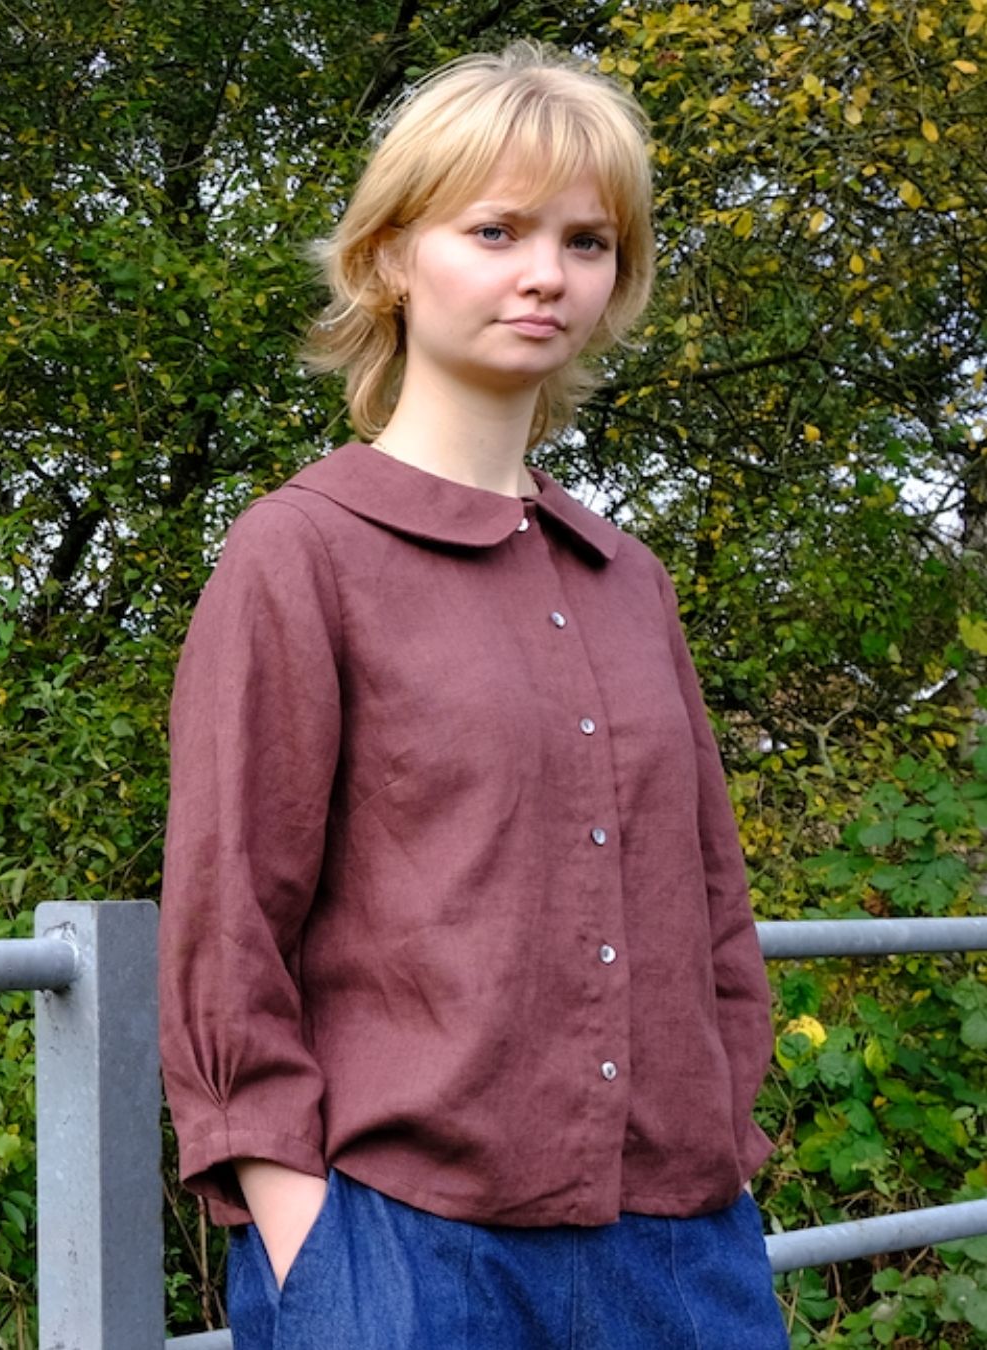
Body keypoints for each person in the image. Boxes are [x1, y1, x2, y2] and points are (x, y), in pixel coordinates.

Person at [159, 41, 788, 1350]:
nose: (547, 273)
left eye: (587, 240)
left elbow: (711, 914)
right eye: (495, 229)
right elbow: (230, 934)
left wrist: (724, 1137)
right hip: (406, 1256)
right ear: (393, 253)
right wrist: (311, 1249)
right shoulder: (302, 553)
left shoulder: (631, 581)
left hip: (682, 1255)